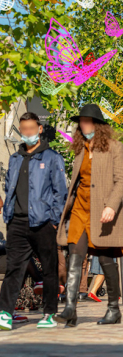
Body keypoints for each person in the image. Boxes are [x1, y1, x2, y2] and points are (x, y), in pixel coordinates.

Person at [55, 104, 123, 327]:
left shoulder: (114, 147)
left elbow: (121, 180)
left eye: (88, 121)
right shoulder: (80, 148)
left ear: (98, 124)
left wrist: (111, 207)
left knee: (106, 260)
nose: (83, 125)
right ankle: (70, 307)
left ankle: (114, 309)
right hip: (79, 208)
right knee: (74, 256)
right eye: (81, 122)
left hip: (103, 211)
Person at [0, 112, 67, 331]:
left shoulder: (52, 158)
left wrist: (54, 219)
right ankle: (5, 313)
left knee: (49, 268)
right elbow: (10, 186)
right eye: (24, 129)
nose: (27, 133)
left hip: (43, 222)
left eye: (31, 128)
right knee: (14, 268)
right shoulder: (15, 158)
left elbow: (60, 192)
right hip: (17, 222)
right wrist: (8, 214)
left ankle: (49, 313)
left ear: (39, 129)